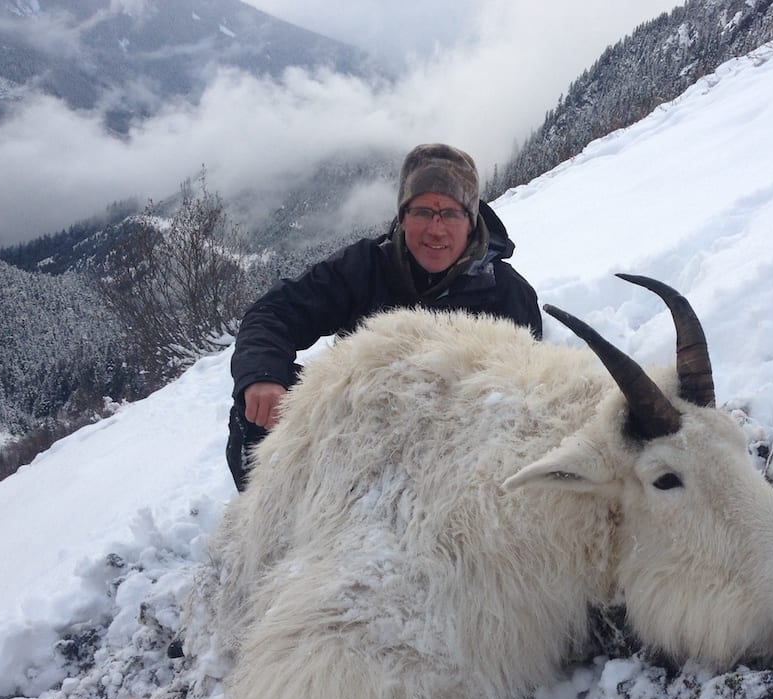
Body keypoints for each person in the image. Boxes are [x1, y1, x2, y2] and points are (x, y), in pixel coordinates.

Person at [226, 143, 542, 490]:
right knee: (256, 407)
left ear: (471, 221)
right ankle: (270, 518)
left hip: (452, 452)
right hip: (358, 425)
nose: (436, 229)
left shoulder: (508, 296)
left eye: (450, 214)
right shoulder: (366, 266)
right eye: (422, 212)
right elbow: (275, 311)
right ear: (403, 217)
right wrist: (262, 376)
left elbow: (523, 403)